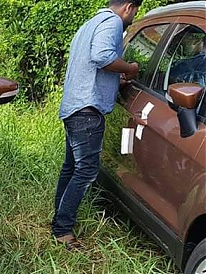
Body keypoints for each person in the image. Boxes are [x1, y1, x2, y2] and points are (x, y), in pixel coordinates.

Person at [52, 0, 142, 250]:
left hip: (74, 107)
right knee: (86, 170)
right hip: (87, 111)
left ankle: (59, 219)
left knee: (71, 167)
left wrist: (116, 82)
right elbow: (102, 57)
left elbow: (92, 67)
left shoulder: (91, 23)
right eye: (135, 12)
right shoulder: (112, 22)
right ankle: (62, 229)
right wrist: (131, 68)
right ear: (129, 7)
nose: (133, 17)